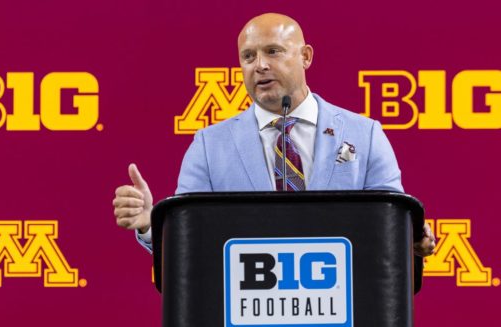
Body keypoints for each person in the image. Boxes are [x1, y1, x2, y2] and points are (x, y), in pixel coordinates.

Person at [112, 13, 436, 256]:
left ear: (306, 56)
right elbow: (189, 241)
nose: (260, 66)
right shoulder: (209, 146)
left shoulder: (364, 135)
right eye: (248, 57)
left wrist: (412, 239)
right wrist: (147, 224)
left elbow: (393, 226)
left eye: (273, 51)